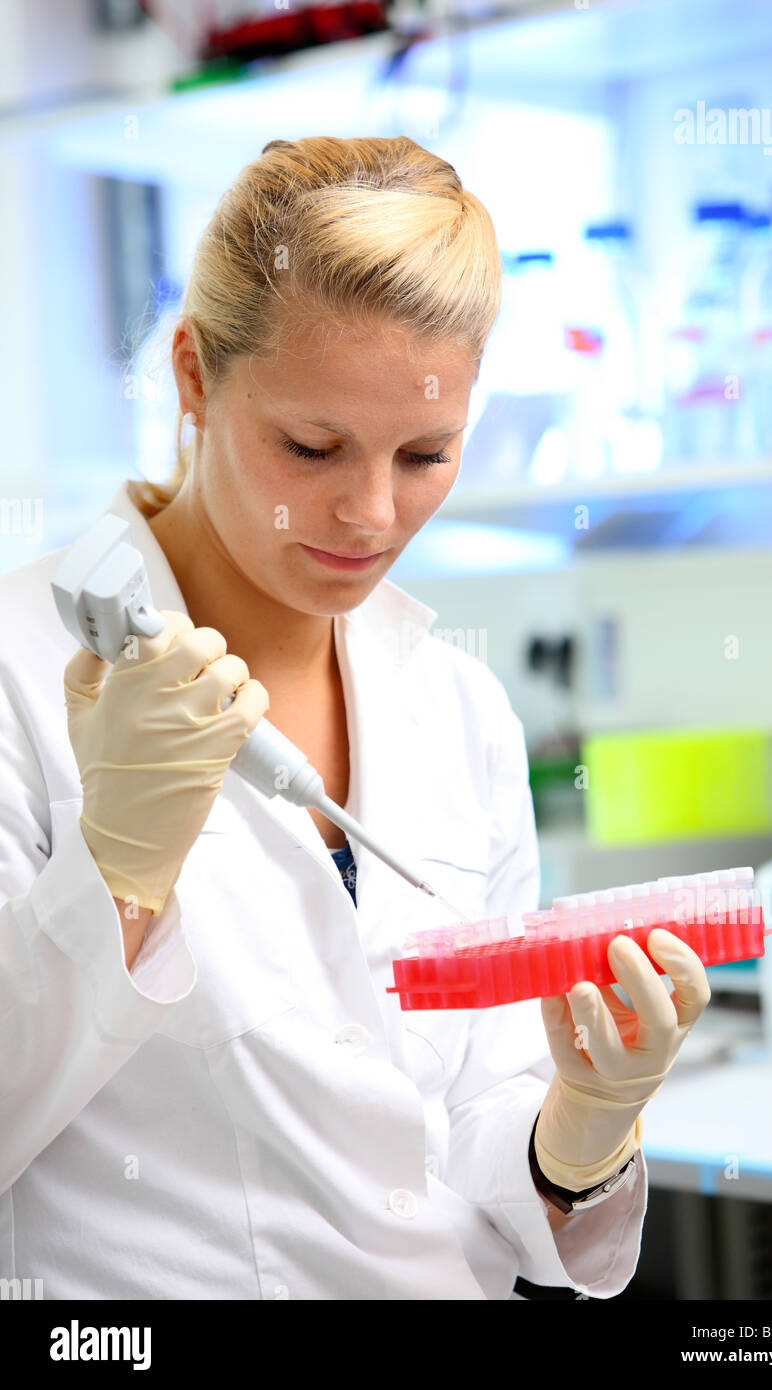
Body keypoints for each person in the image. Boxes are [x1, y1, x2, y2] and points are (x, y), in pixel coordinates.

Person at [0, 136, 710, 1301]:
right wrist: (112, 880)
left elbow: (465, 1107)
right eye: (310, 446)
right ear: (191, 373)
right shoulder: (17, 675)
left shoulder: (455, 705)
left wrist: (576, 1133)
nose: (371, 514)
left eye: (425, 455)